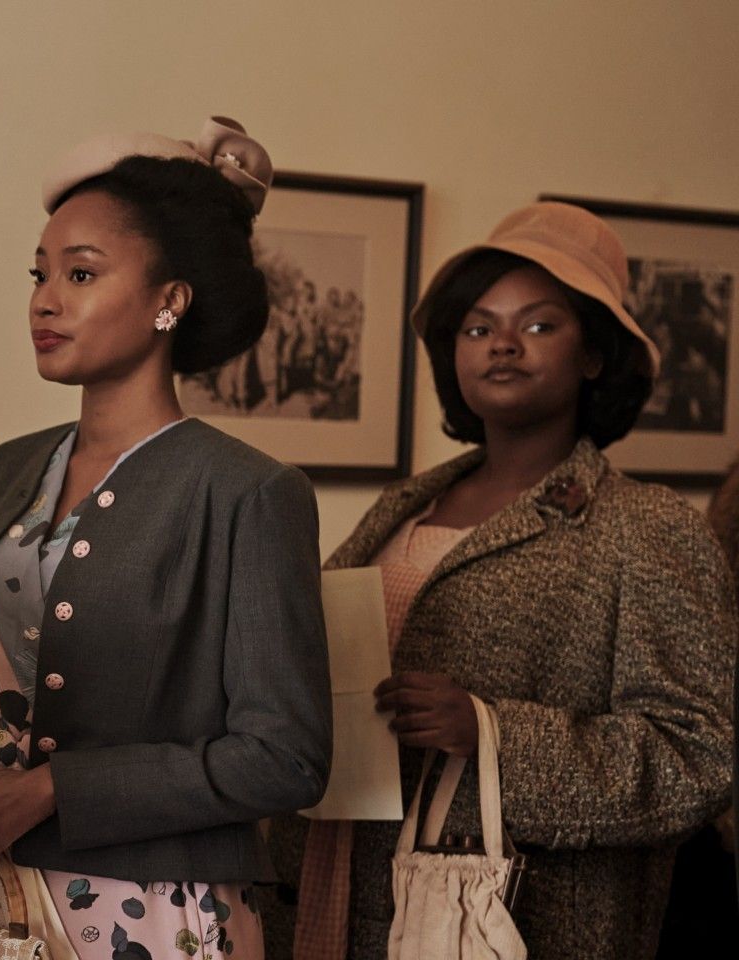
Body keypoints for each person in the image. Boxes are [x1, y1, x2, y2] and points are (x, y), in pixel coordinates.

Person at [265, 201, 738, 960]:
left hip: (513, 925)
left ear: (594, 353)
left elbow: (702, 756)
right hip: (336, 896)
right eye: (477, 328)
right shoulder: (399, 507)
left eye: (540, 325)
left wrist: (493, 735)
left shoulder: (647, 527)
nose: (503, 345)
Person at [0, 118, 331, 959]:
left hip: (153, 915)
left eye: (81, 273)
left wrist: (55, 789)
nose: (44, 299)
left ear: (170, 299)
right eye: (38, 274)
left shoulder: (248, 492)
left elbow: (284, 759)